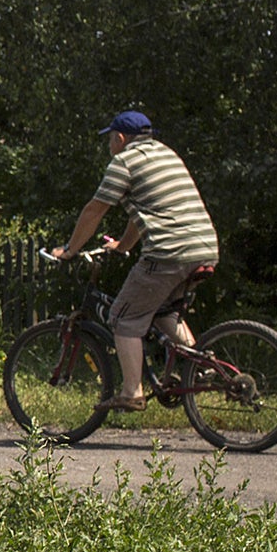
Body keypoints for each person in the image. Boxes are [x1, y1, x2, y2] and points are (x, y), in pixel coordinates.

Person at [51, 110, 219, 410]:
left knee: (123, 317)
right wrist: (123, 245)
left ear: (119, 138)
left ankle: (132, 392)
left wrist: (70, 250)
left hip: (170, 253)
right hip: (204, 246)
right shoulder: (166, 154)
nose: (109, 146)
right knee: (165, 313)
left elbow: (95, 210)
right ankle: (203, 368)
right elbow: (145, 212)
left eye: (110, 140)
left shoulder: (124, 162)